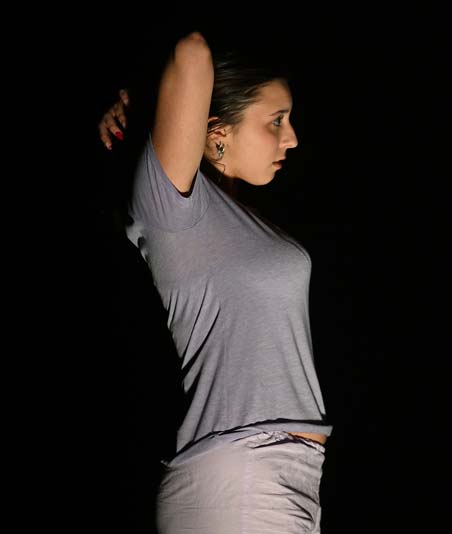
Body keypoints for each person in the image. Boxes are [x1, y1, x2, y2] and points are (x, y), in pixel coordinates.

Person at [98, 31, 330, 533]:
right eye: (276, 120)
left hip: (273, 473)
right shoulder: (173, 208)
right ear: (217, 131)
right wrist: (146, 95)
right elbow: (193, 51)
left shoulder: (225, 214)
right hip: (243, 474)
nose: (291, 138)